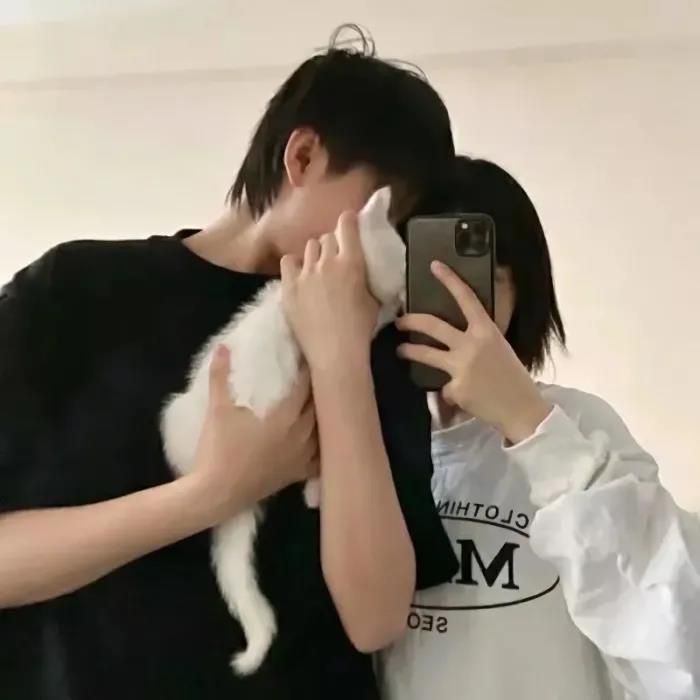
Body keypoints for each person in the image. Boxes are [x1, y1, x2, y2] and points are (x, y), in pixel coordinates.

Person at [0, 33, 458, 700]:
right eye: (384, 210)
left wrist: (340, 359)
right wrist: (212, 493)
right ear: (303, 157)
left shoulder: (375, 340)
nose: (384, 245)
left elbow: (375, 618)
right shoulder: (73, 292)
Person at [379, 156, 700, 700]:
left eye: (482, 281)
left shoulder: (579, 424)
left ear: (522, 293)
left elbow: (677, 632)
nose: (454, 304)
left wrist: (531, 424)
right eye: (426, 278)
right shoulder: (361, 439)